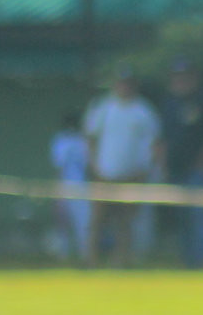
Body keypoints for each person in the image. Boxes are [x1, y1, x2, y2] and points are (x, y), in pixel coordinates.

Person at [83, 68, 161, 266]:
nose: (124, 87)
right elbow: (91, 138)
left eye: (128, 83)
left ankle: (122, 261)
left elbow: (155, 144)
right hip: (104, 175)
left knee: (125, 222)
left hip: (132, 176)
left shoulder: (144, 111)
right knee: (97, 221)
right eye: (121, 83)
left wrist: (145, 170)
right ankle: (91, 261)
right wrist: (94, 168)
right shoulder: (103, 108)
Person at [157, 57, 203, 268]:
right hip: (176, 169)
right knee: (183, 218)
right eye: (177, 77)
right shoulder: (169, 104)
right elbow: (163, 139)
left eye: (185, 77)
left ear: (194, 78)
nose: (181, 82)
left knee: (199, 217)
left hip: (197, 170)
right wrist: (163, 166)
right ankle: (187, 262)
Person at [48, 110, 92, 264]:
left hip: (80, 186)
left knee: (83, 223)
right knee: (63, 222)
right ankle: (64, 255)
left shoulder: (83, 140)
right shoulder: (61, 140)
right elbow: (59, 166)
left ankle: (84, 255)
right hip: (67, 185)